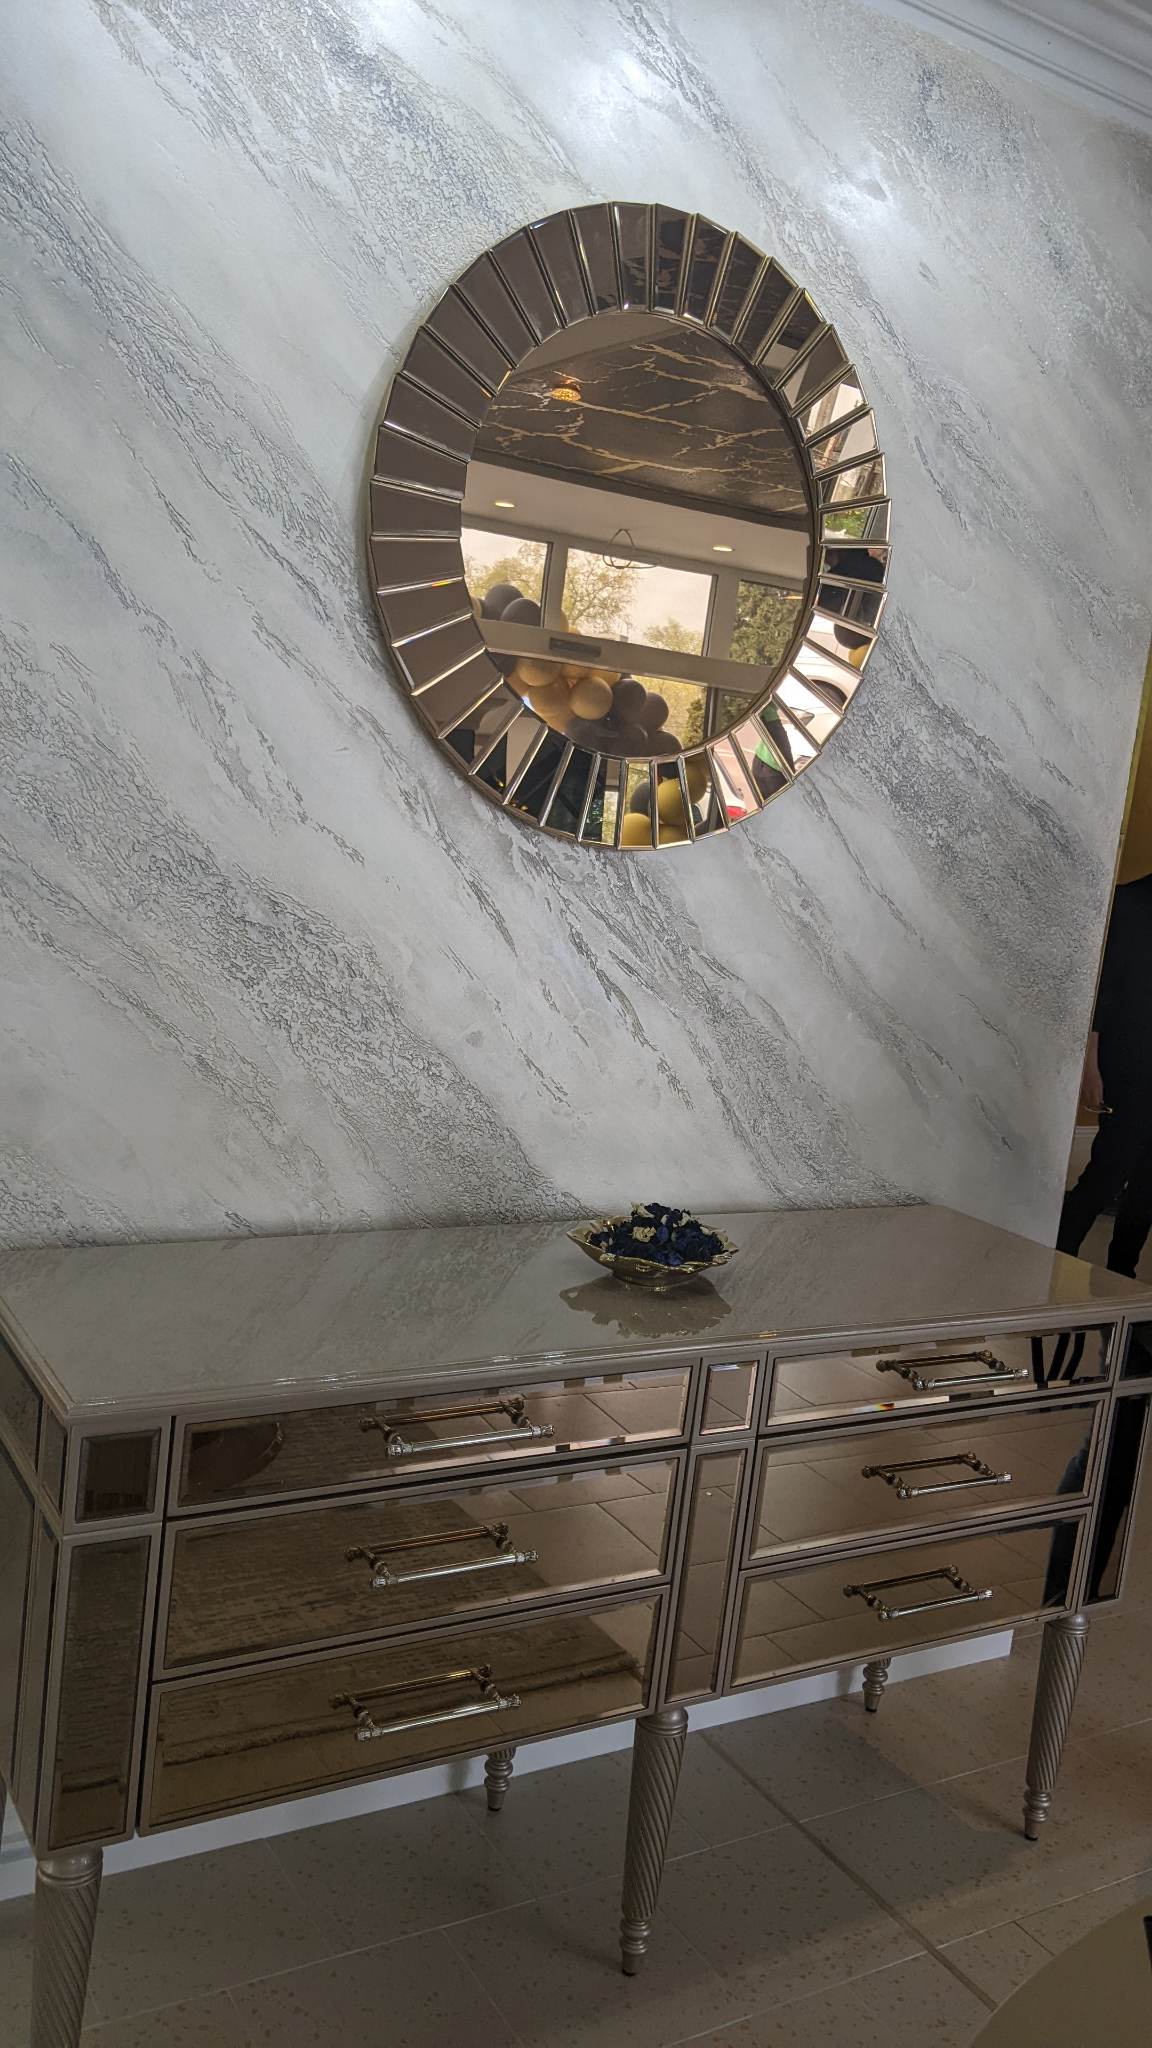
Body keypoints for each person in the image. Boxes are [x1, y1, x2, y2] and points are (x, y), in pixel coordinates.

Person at [1058, 872, 1152, 1276]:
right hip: (1129, 1063)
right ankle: (1053, 1264)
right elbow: (1101, 988)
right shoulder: (1130, 902)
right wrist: (1089, 1063)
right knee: (1108, 1172)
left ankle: (1119, 1281)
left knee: (1148, 1190)